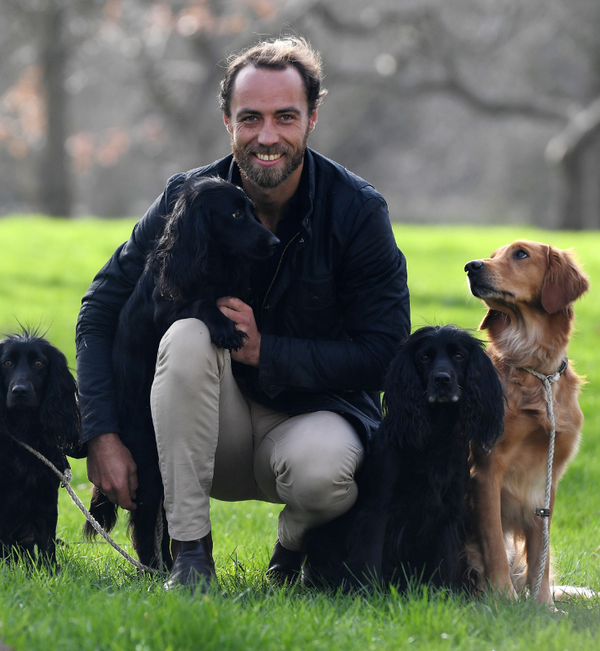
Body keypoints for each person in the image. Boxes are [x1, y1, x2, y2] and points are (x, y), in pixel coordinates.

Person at [75, 36, 410, 589]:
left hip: (312, 418)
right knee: (187, 336)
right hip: (209, 426)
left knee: (325, 473)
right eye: (251, 118)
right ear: (228, 120)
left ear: (312, 118)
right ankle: (189, 556)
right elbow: (99, 309)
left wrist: (266, 350)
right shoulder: (187, 198)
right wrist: (101, 434)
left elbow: (387, 354)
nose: (267, 136)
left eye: (285, 117)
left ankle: (291, 548)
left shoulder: (358, 212)